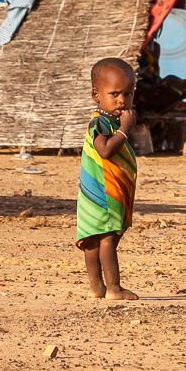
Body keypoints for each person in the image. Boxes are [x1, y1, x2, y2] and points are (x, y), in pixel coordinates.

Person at [77, 57, 141, 300]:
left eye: (128, 93)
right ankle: (114, 288)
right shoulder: (101, 123)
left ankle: (96, 287)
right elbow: (105, 150)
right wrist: (125, 129)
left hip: (95, 192)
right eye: (114, 93)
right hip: (104, 193)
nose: (122, 100)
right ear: (96, 94)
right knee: (107, 240)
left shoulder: (109, 121)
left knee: (94, 241)